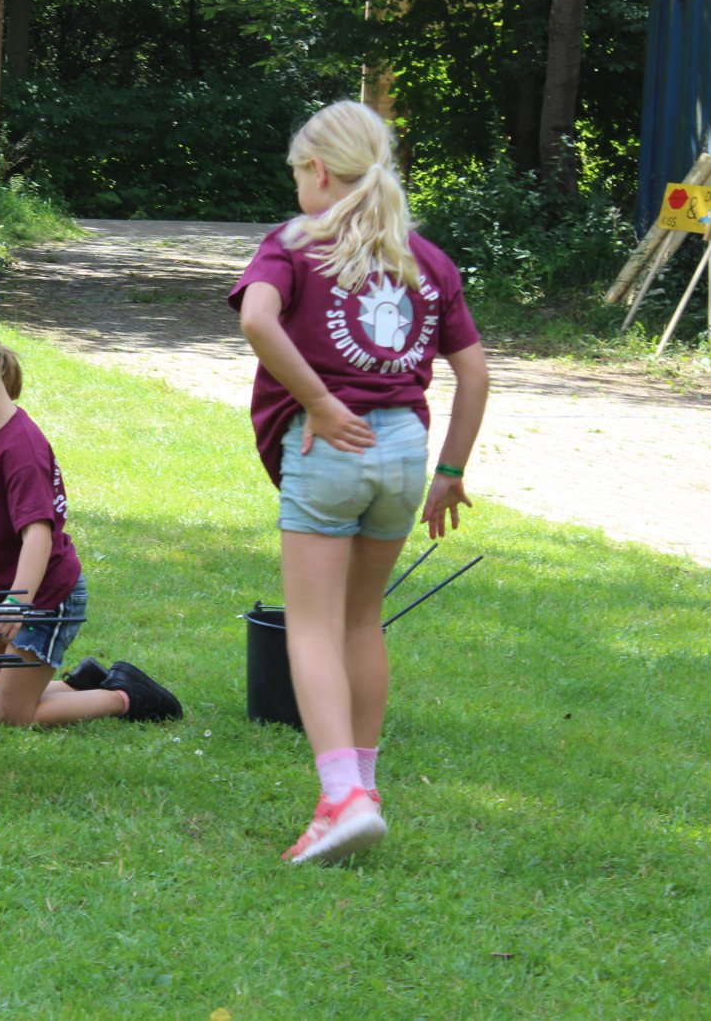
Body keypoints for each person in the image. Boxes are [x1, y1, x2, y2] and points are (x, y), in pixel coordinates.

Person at [229, 101, 490, 864]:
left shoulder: (294, 245)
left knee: (311, 626)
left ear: (317, 171)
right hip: (407, 451)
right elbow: (473, 371)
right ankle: (362, 790)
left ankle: (341, 797)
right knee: (361, 621)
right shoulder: (424, 259)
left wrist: (316, 399)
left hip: (332, 447)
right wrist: (450, 470)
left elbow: (255, 320)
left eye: (298, 174)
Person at [0, 309, 182, 726]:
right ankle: (83, 682)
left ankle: (125, 695)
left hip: (43, 598)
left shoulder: (22, 447)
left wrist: (18, 603)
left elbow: (39, 534)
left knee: (8, 717)